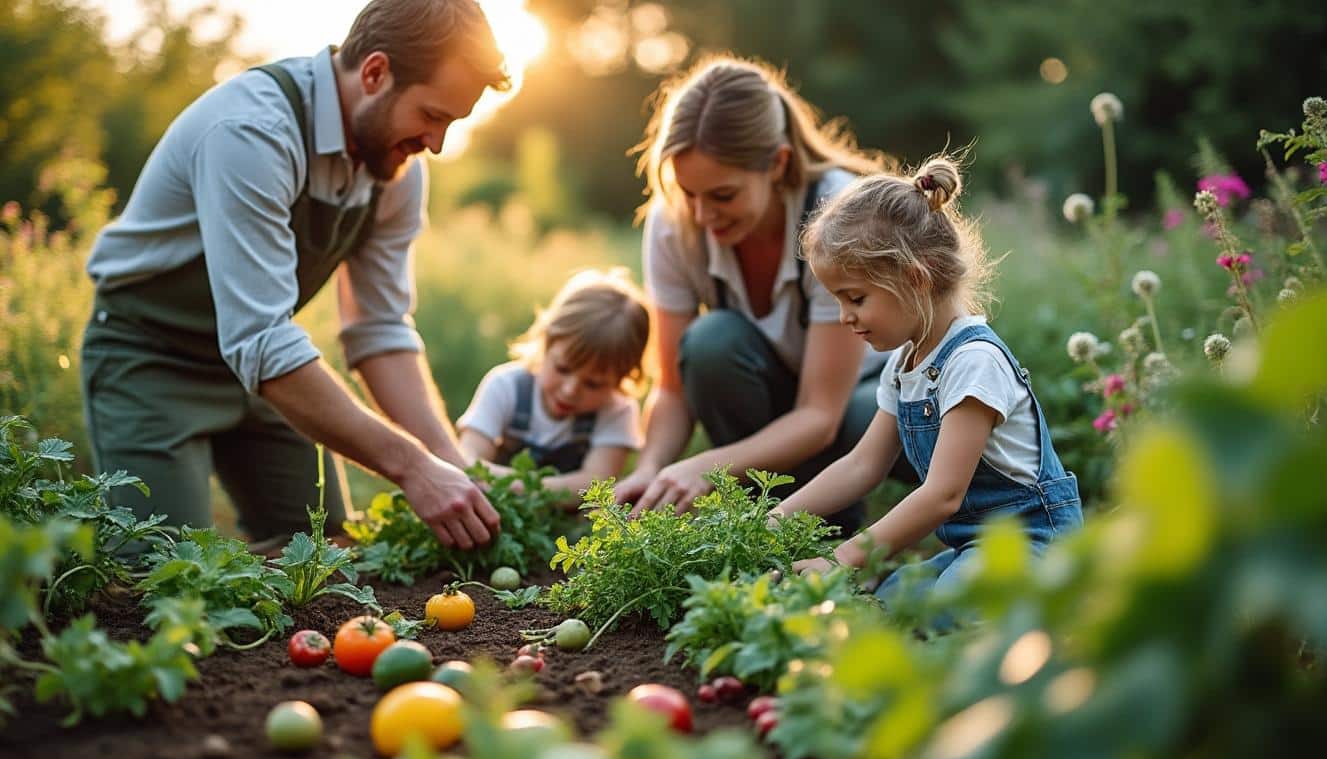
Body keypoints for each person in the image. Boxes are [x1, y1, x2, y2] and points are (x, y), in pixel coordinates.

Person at [80, 0, 508, 551]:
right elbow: (259, 338)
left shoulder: (396, 171)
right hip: (151, 358)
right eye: (432, 116)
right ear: (375, 72)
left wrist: (448, 464)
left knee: (320, 558)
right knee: (166, 578)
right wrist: (410, 467)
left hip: (267, 370)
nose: (436, 144)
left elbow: (378, 329)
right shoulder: (252, 132)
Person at [614, 55, 913, 536]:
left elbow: (820, 415)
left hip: (852, 404)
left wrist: (707, 467)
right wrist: (650, 467)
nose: (703, 213)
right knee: (711, 345)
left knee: (875, 418)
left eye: (723, 196)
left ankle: (829, 525)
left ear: (777, 164)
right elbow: (671, 389)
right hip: (772, 399)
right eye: (689, 193)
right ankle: (764, 523)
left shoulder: (835, 214)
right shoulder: (674, 223)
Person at [777, 158, 1084, 607]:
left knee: (948, 610)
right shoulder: (906, 361)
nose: (844, 317)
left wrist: (842, 560)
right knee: (897, 598)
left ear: (915, 279)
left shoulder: (974, 361)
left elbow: (943, 495)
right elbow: (863, 465)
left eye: (855, 298)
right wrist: (776, 518)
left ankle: (1062, 607)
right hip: (974, 548)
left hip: (1032, 544)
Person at [457, 269, 649, 507]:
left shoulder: (618, 411)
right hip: (497, 513)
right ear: (546, 341)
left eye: (593, 384)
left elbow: (594, 486)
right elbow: (468, 460)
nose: (570, 390)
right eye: (562, 369)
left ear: (623, 378)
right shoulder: (506, 386)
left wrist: (503, 482)